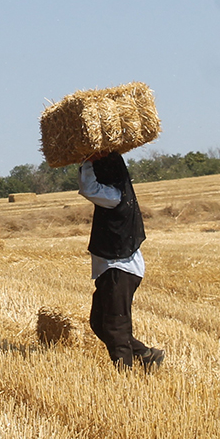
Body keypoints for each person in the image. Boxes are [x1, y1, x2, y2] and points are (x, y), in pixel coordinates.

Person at [77, 152, 165, 371]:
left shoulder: (114, 196)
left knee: (116, 326)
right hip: (111, 269)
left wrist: (87, 162)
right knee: (99, 323)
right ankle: (145, 354)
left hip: (120, 269)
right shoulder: (117, 192)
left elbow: (88, 189)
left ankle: (125, 376)